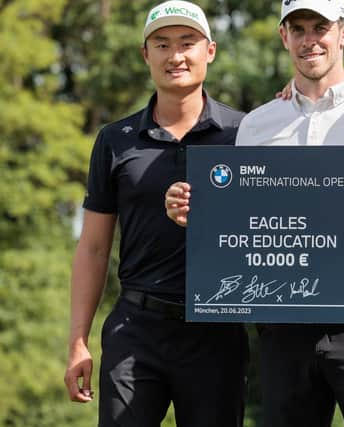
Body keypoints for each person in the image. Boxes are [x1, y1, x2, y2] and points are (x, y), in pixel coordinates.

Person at [165, 1, 344, 425]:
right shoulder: (258, 125)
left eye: (320, 27)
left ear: (343, 32)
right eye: (299, 28)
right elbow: (246, 226)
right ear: (284, 37)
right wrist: (200, 215)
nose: (310, 39)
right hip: (283, 319)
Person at [63, 1, 248, 426]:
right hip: (135, 329)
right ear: (146, 54)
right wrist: (78, 341)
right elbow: (93, 248)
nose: (175, 55)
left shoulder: (247, 133)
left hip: (216, 332)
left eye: (187, 43)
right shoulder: (115, 139)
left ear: (211, 50)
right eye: (161, 44)